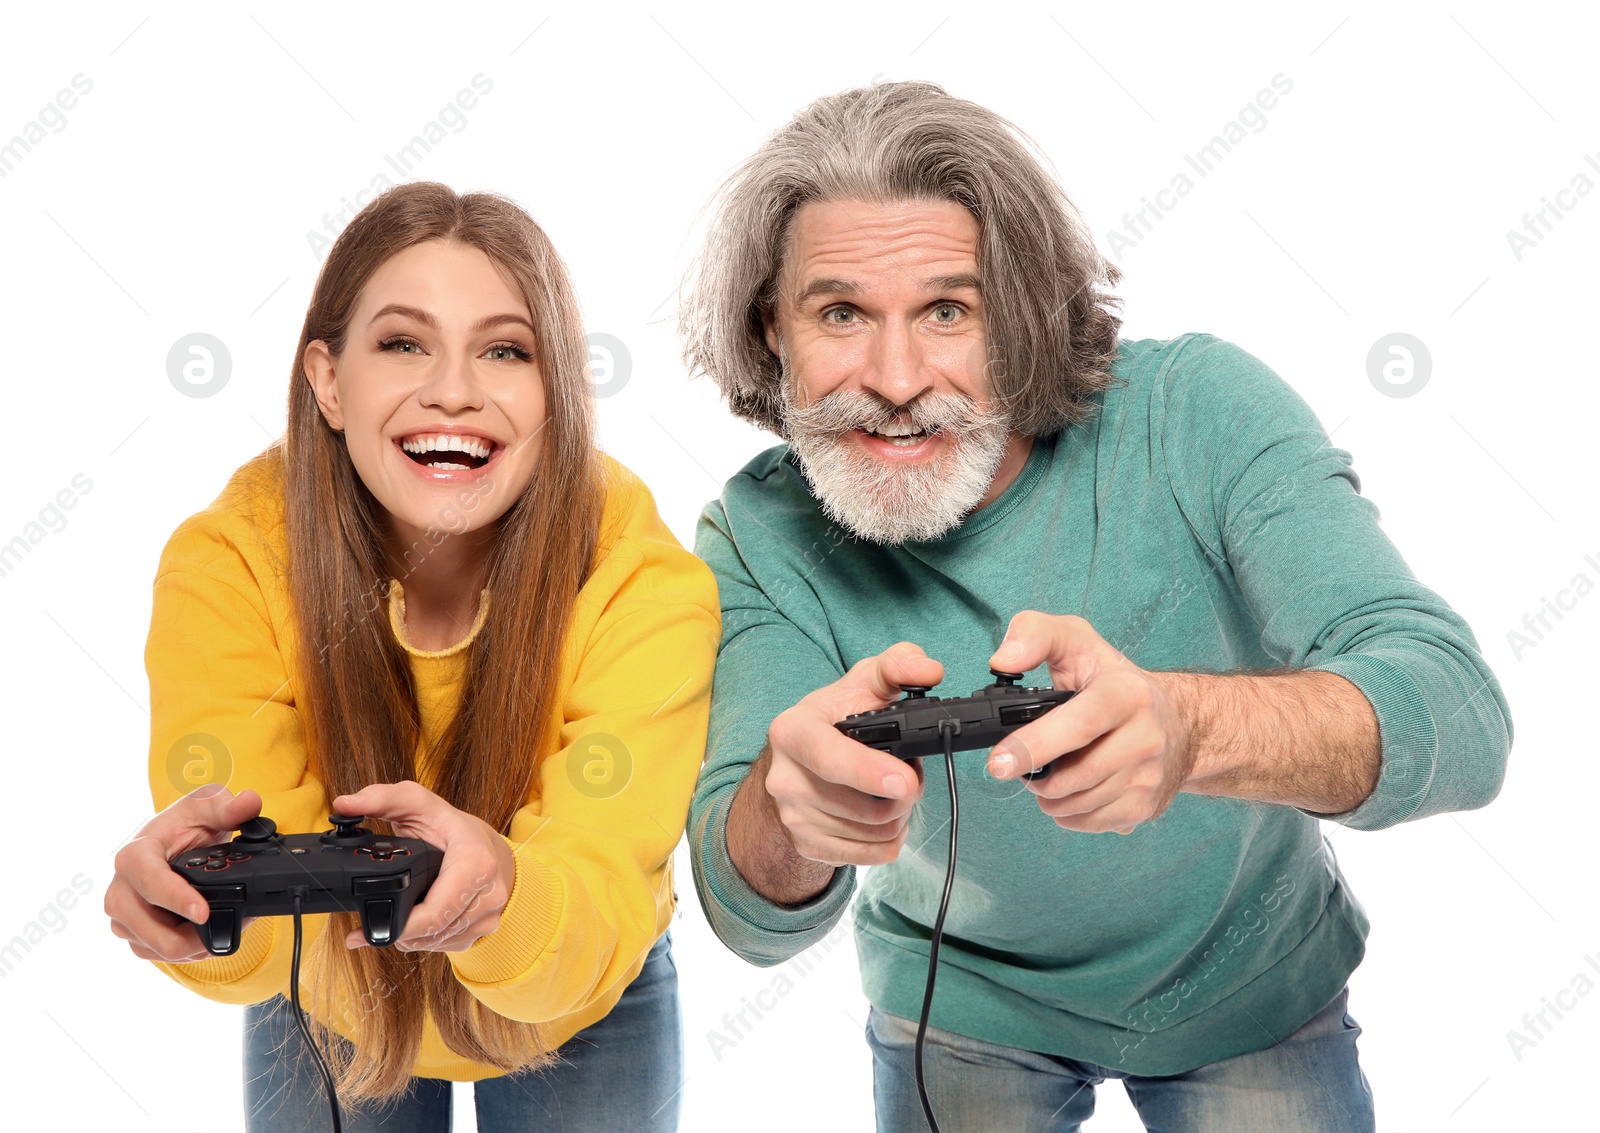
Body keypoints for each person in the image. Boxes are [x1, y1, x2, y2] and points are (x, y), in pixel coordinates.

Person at [679, 81, 1511, 1133]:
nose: (893, 378)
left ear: (1017, 312)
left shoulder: (1197, 411)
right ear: (774, 327)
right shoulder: (755, 536)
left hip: (1246, 978)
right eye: (840, 311)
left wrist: (1187, 727)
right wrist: (789, 807)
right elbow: (743, 908)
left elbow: (1461, 720)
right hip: (959, 1004)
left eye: (948, 309)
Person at [103, 181, 719, 1132]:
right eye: (402, 342)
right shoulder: (226, 563)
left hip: (574, 984)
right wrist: (196, 919)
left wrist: (506, 893)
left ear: (554, 391)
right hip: (334, 991)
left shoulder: (645, 580)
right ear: (328, 381)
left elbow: (599, 874)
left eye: (506, 351)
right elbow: (260, 917)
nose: (455, 390)